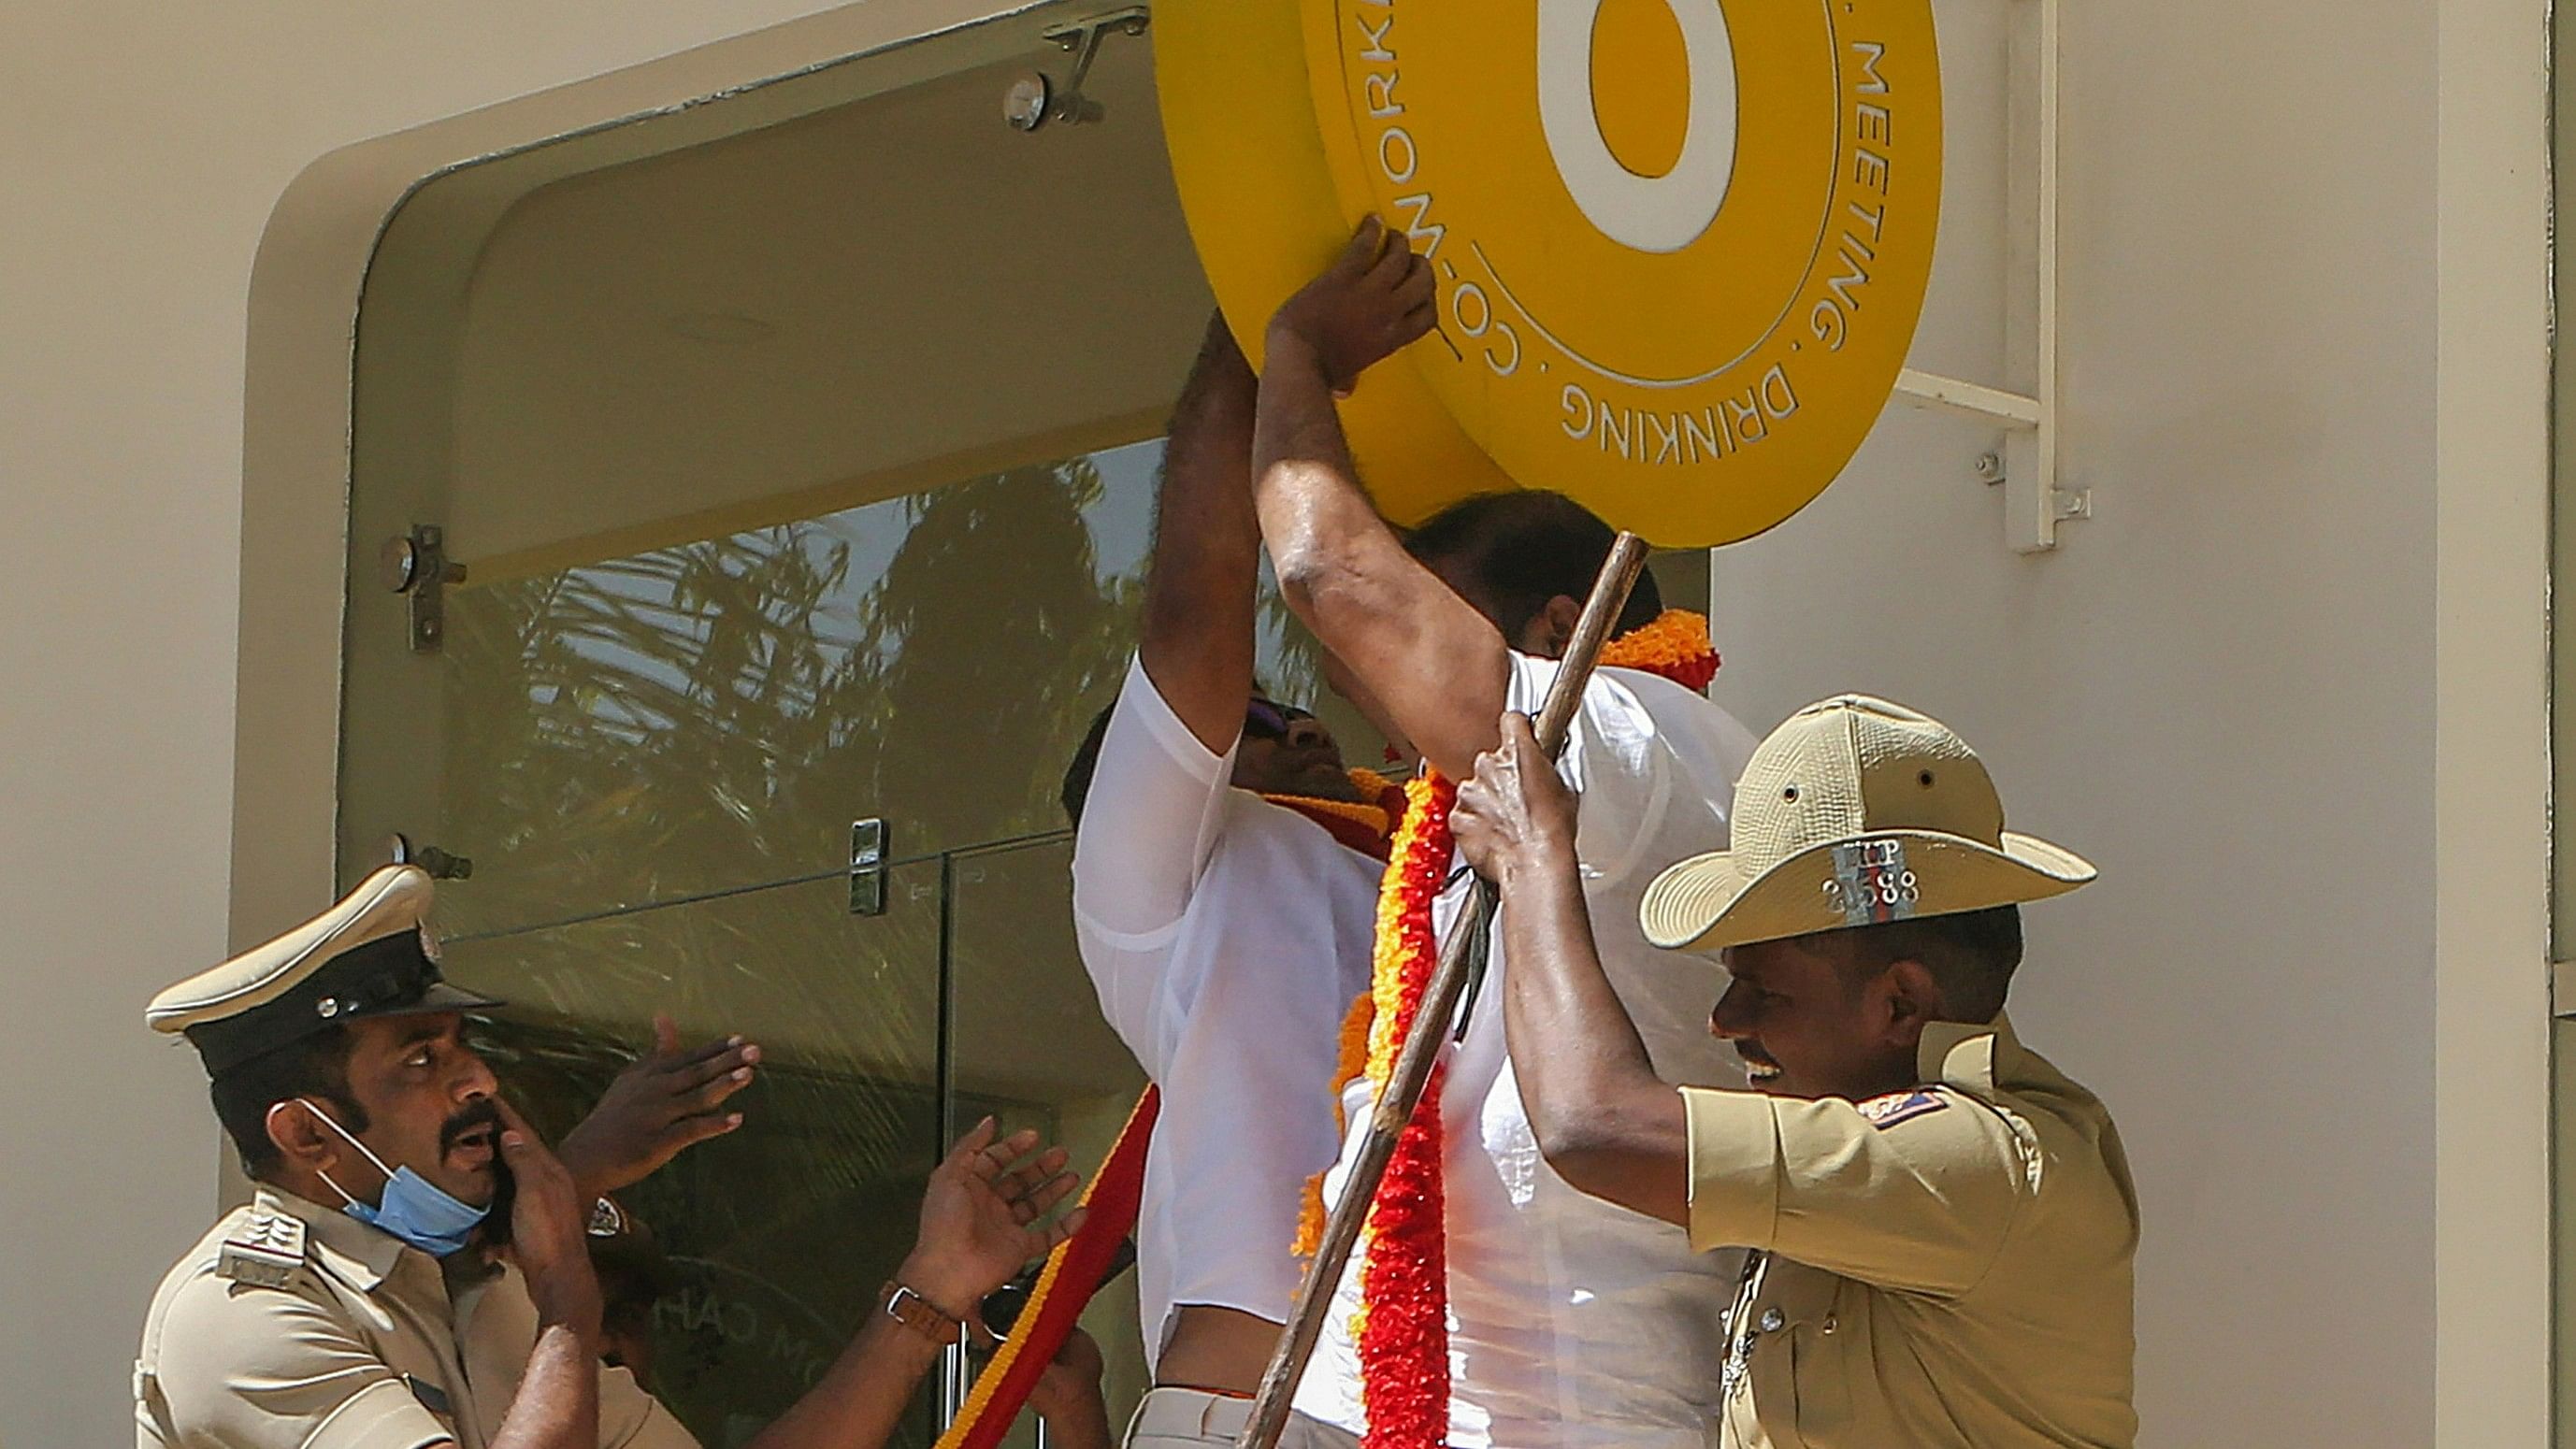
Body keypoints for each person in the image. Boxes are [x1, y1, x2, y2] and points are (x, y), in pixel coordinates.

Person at [1252, 218, 1763, 1449]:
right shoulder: (1483, 800)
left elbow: (1328, 573)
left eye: (1444, 617)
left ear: (1552, 624)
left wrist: (1296, 357)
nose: (1366, 687)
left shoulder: (1634, 737)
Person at [135, 863, 1115, 1449]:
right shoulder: (246, 1311)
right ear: (308, 1132)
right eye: (421, 1060)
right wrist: (567, 1295)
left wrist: (928, 1290)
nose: (475, 1080)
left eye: (465, 1049)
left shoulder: (478, 1287)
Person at [1449, 696, 2139, 1447]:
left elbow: (1594, 1126)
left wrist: (1532, 862)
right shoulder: (1885, 1152)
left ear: (1899, 1003)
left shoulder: (1974, 1157)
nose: (1725, 1021)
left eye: (1766, 992)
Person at [1065, 313, 1390, 1446]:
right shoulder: (1158, 889)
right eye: (1254, 719)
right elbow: (1197, 617)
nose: (1298, 721)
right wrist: (1262, 337)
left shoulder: (1450, 862)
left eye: (1301, 704)